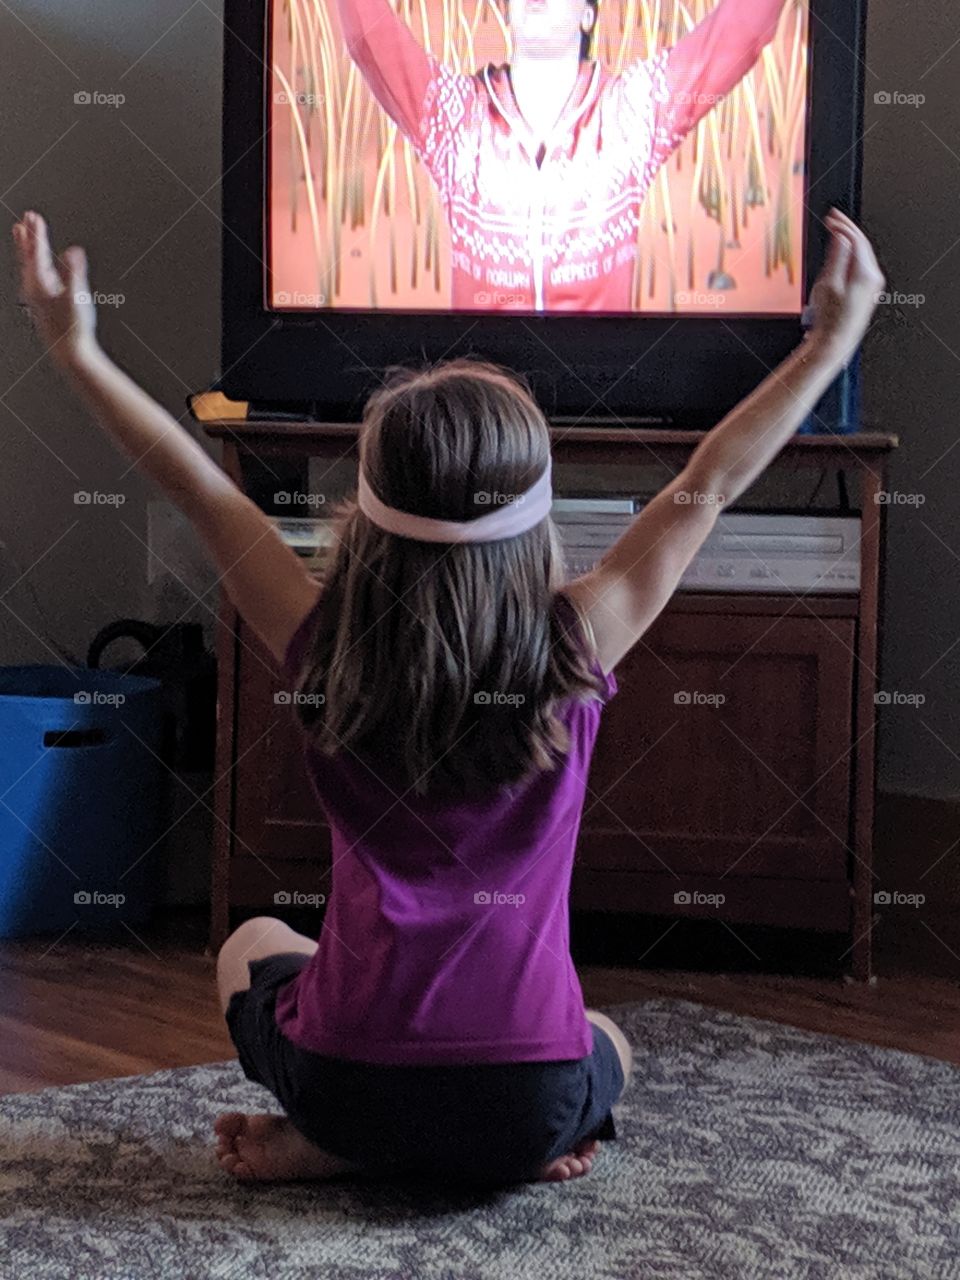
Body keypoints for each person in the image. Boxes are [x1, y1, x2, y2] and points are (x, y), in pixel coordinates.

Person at [13, 207, 883, 1186]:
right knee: (609, 1039)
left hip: (347, 1080)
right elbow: (709, 483)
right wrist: (830, 342)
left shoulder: (324, 645)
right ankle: (517, 1144)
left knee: (253, 940)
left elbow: (196, 488)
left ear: (366, 515)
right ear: (534, 518)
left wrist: (76, 347)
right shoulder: (575, 643)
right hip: (526, 1094)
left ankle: (333, 1141)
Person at [333, 0, 789, 310]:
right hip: (480, 404)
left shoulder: (632, 112)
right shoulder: (454, 117)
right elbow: (370, 38)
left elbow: (739, 32)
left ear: (588, 15)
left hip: (603, 382)